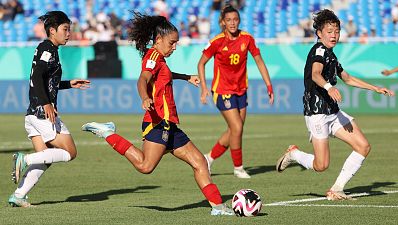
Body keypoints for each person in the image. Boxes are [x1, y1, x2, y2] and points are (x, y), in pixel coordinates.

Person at [81, 12, 233, 216]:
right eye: (172, 43)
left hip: (170, 125)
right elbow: (143, 79)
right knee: (145, 166)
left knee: (200, 162)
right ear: (159, 39)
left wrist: (186, 77)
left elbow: (165, 75)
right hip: (158, 122)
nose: (175, 47)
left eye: (177, 43)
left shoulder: (160, 58)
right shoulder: (153, 56)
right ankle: (108, 133)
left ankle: (217, 207)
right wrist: (144, 97)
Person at [276, 9, 395, 200]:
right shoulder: (319, 50)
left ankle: (337, 188)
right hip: (317, 113)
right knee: (321, 165)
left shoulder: (331, 54)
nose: (334, 35)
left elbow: (347, 78)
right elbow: (316, 74)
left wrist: (375, 88)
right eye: (329, 31)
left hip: (333, 111)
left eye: (337, 31)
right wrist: (329, 87)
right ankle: (294, 154)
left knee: (363, 146)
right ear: (319, 33)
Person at [9, 11, 91, 207]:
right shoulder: (48, 48)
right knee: (70, 152)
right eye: (65, 29)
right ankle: (24, 159)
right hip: (42, 112)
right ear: (52, 31)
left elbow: (46, 81)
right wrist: (46, 103)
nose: (69, 33)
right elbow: (36, 77)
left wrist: (68, 84)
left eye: (69, 29)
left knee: (45, 159)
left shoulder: (48, 49)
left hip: (33, 114)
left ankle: (19, 195)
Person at [198, 5, 274, 179]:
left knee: (234, 131)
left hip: (241, 90)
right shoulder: (217, 41)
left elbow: (259, 61)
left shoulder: (247, 38)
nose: (232, 23)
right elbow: (201, 63)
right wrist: (204, 87)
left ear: (239, 20)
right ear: (223, 22)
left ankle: (208, 158)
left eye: (235, 20)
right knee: (237, 127)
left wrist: (269, 86)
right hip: (222, 90)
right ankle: (238, 168)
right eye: (229, 20)